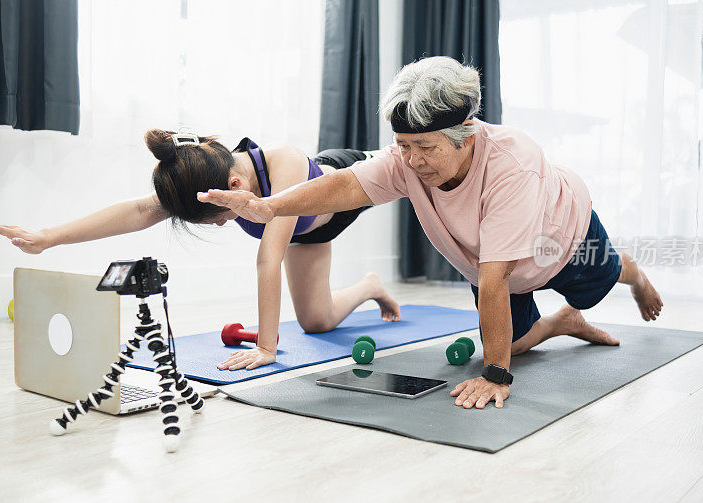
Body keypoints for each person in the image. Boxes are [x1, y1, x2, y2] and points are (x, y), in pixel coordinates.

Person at [197, 56, 664, 410]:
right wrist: (266, 205)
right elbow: (343, 185)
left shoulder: (513, 165)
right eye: (403, 146)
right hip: (493, 266)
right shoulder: (407, 162)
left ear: (465, 132)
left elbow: (495, 277)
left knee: (597, 282)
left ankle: (633, 273)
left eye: (425, 147)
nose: (413, 160)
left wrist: (497, 377)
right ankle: (561, 323)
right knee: (513, 343)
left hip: (562, 240)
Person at [0, 129, 401, 371]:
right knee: (317, 321)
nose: (219, 222)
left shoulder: (284, 161)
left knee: (409, 173)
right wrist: (48, 238)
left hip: (345, 187)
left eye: (218, 217)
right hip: (309, 234)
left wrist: (268, 347)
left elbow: (269, 256)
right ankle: (370, 285)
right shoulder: (203, 179)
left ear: (234, 188)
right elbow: (139, 210)